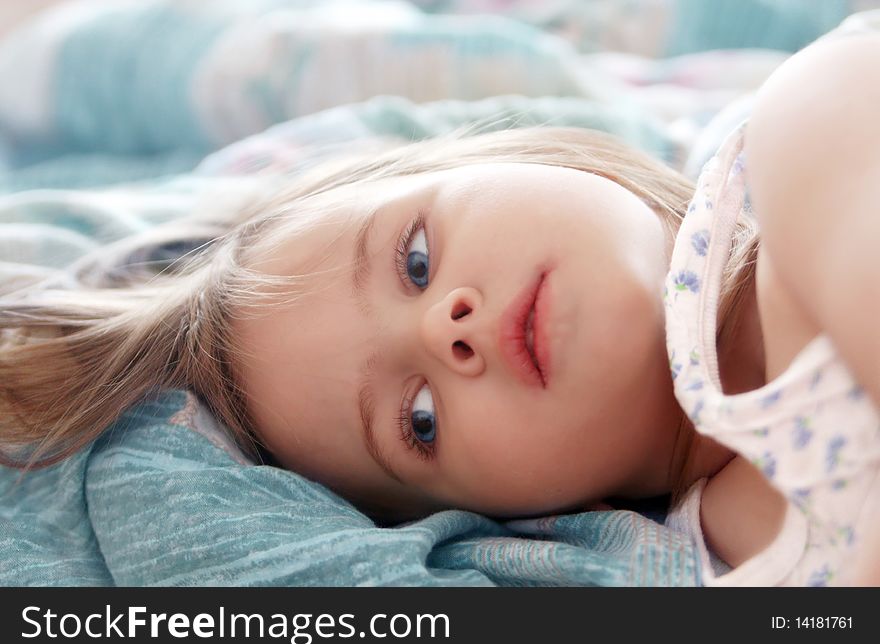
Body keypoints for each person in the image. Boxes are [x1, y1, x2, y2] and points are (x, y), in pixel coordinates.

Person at [1, 32, 878, 586]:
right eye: (419, 421)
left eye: (415, 261)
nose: (443, 329)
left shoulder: (803, 128)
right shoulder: (747, 561)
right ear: (511, 516)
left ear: (526, 153)